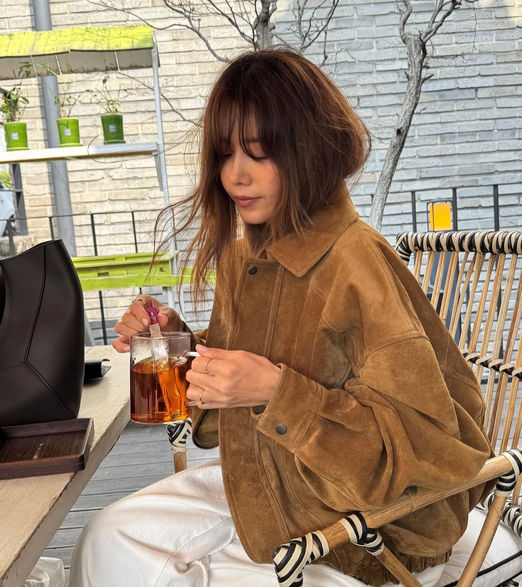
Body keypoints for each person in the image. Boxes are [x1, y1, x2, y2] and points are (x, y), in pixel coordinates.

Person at [69, 49, 492, 587]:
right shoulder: (246, 258)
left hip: (367, 536)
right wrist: (178, 343)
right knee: (105, 538)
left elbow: (431, 451)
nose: (235, 175)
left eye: (260, 152)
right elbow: (238, 391)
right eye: (225, 152)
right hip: (270, 482)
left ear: (310, 150)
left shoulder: (356, 264)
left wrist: (277, 392)